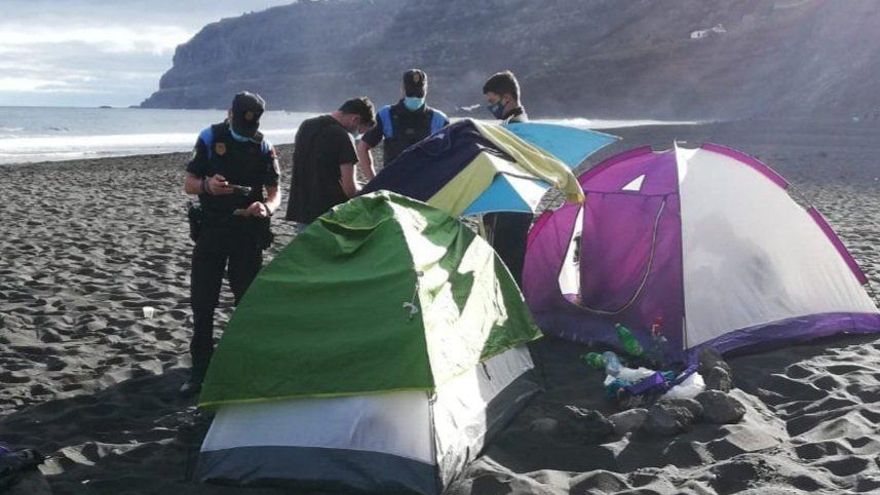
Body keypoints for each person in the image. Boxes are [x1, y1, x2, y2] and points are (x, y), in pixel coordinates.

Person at [181, 91, 281, 395]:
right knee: (203, 302)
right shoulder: (210, 137)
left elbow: (275, 191)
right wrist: (208, 186)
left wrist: (267, 208)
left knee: (247, 302)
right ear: (230, 113)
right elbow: (189, 184)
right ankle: (200, 371)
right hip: (212, 229)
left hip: (248, 232)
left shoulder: (263, 146)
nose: (244, 130)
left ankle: (246, 364)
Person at [285, 97, 376, 225]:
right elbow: (349, 188)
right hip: (330, 215)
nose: (358, 135)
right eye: (360, 131)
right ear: (355, 119)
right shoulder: (343, 136)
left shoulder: (306, 126)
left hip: (303, 210)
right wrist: (364, 191)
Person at [482, 70, 531, 287]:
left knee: (503, 267)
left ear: (507, 98)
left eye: (492, 101)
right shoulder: (519, 122)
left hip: (507, 206)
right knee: (513, 263)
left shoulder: (515, 127)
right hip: (519, 204)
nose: (491, 107)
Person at [356, 69, 449, 179]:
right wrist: (373, 182)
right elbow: (363, 147)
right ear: (403, 89)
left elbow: (450, 155)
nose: (415, 96)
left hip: (426, 187)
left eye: (418, 93)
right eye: (411, 92)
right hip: (394, 185)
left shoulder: (439, 119)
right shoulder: (386, 115)